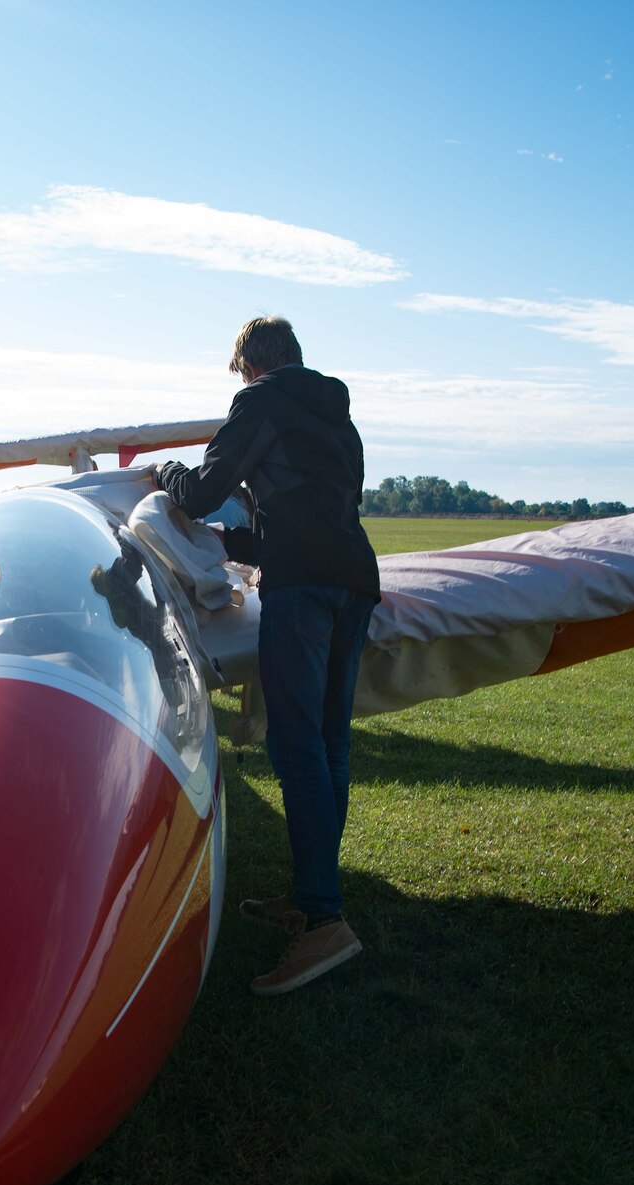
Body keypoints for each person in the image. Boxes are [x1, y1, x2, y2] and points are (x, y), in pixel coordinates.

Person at [156, 317, 380, 997]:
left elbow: (195, 490)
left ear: (251, 366)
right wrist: (237, 543)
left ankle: (322, 917)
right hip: (353, 582)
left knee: (295, 746)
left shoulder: (259, 403)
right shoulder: (337, 415)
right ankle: (313, 893)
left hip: (305, 591)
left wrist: (160, 471)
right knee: (328, 743)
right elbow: (319, 514)